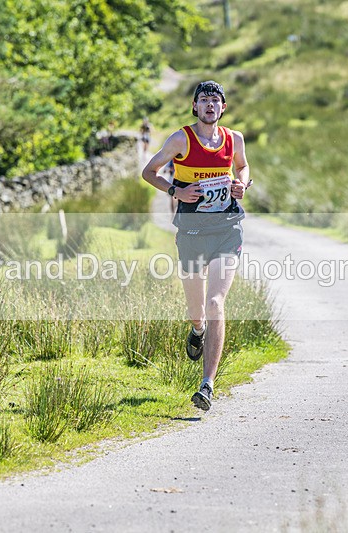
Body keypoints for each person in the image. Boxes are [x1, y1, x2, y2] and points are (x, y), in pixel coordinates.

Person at [141, 80, 252, 411]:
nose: (209, 105)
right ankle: (198, 330)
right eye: (203, 100)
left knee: (216, 301)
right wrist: (176, 191)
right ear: (194, 106)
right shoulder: (181, 139)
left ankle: (207, 385)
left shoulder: (234, 139)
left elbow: (243, 167)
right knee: (198, 310)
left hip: (226, 229)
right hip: (191, 232)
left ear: (223, 108)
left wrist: (241, 184)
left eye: (215, 100)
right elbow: (150, 171)